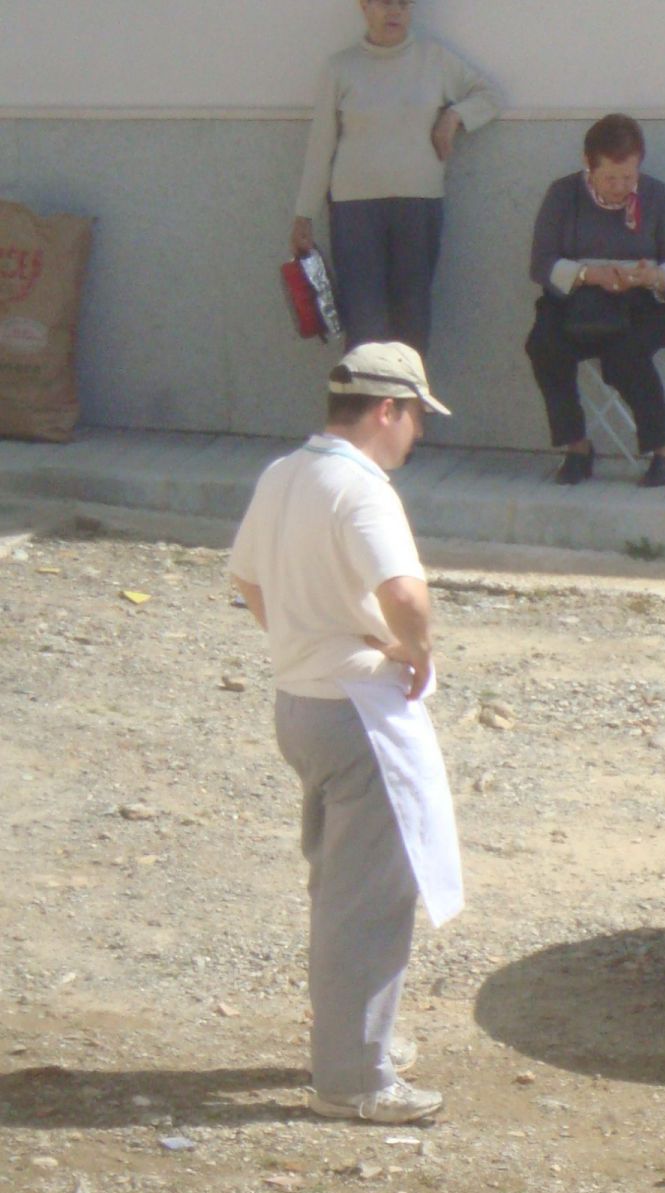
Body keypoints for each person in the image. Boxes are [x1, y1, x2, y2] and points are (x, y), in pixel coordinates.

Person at [230, 342, 463, 1124]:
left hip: (299, 702)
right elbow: (406, 593)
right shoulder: (361, 489)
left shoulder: (284, 473)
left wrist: (303, 641)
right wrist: (415, 650)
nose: (417, 437)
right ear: (388, 410)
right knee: (367, 896)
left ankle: (361, 1043)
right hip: (358, 713)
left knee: (339, 885)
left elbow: (248, 579)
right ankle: (355, 1077)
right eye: (415, 419)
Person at [291, 0, 500, 354]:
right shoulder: (340, 68)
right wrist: (304, 214)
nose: (395, 13)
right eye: (385, 3)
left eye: (404, 4)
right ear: (364, 7)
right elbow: (320, 144)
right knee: (363, 320)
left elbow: (488, 96)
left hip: (418, 206)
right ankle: (364, 408)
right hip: (354, 210)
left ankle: (409, 408)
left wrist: (453, 118)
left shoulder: (435, 60)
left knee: (412, 317)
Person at [526, 112, 665, 488]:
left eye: (628, 177)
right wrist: (588, 275)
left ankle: (664, 447)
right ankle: (577, 447)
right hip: (579, 301)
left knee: (625, 354)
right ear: (589, 165)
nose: (620, 187)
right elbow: (542, 264)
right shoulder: (563, 195)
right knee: (544, 346)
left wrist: (653, 277)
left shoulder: (657, 196)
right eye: (610, 177)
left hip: (645, 304)